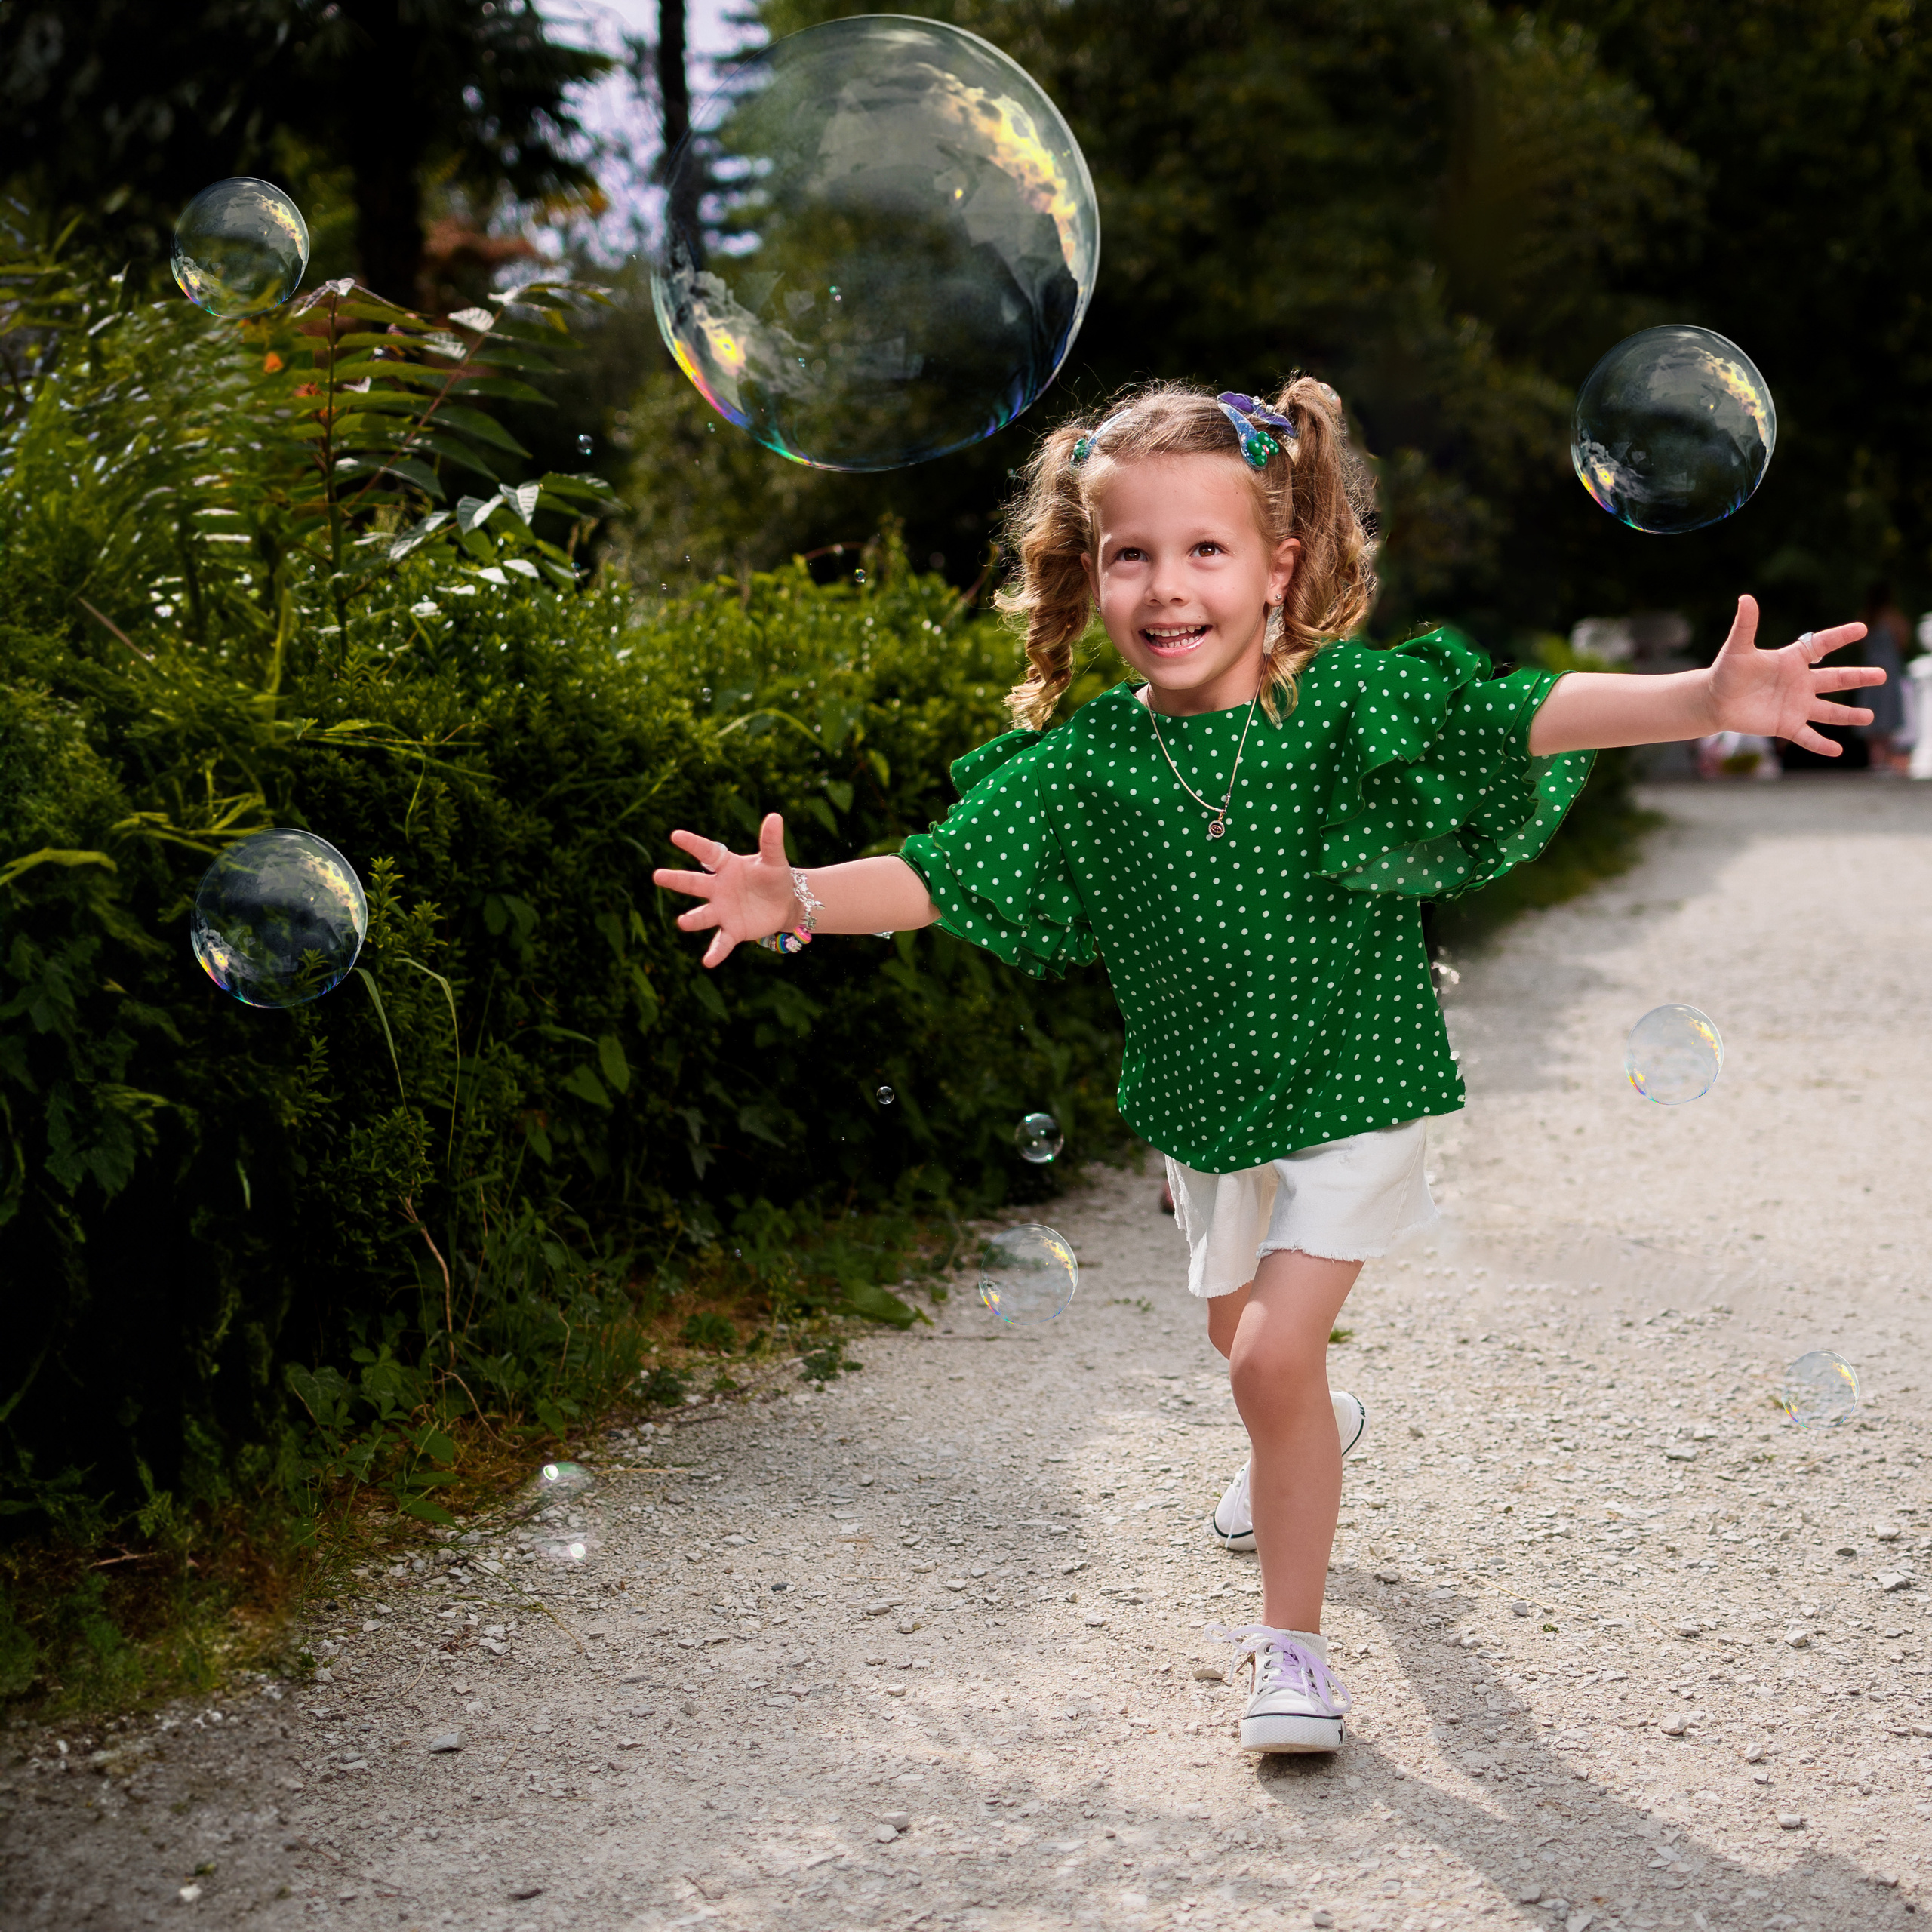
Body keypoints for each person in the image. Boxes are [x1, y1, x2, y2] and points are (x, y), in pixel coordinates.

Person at [653, 380, 1881, 1757]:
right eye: (1134, 555)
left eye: (1206, 551)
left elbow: (1518, 718)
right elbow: (940, 874)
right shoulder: (1088, 766)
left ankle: (1293, 1652)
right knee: (1244, 1344)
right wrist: (799, 894)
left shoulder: (1339, 706)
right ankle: (1308, 1419)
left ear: (1278, 565)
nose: (1169, 588)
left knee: (1268, 1360)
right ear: (1088, 569)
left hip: (1359, 1086)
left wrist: (1705, 697)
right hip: (1210, 1114)